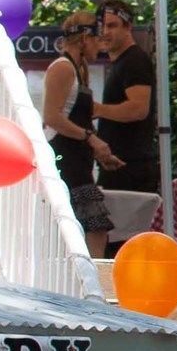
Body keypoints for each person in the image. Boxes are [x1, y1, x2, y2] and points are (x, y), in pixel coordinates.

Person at [89, 0, 166, 244]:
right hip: (118, 164)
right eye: (102, 27)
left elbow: (138, 109)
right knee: (110, 236)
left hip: (130, 166)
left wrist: (99, 110)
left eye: (112, 26)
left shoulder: (134, 61)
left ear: (127, 27)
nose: (105, 33)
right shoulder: (121, 63)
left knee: (123, 240)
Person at [40, 18, 119, 252]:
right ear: (85, 39)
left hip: (78, 159)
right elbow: (52, 117)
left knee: (87, 228)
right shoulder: (63, 67)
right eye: (98, 40)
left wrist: (97, 148)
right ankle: (91, 281)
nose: (101, 47)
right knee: (95, 227)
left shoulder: (78, 70)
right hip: (65, 157)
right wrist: (89, 138)